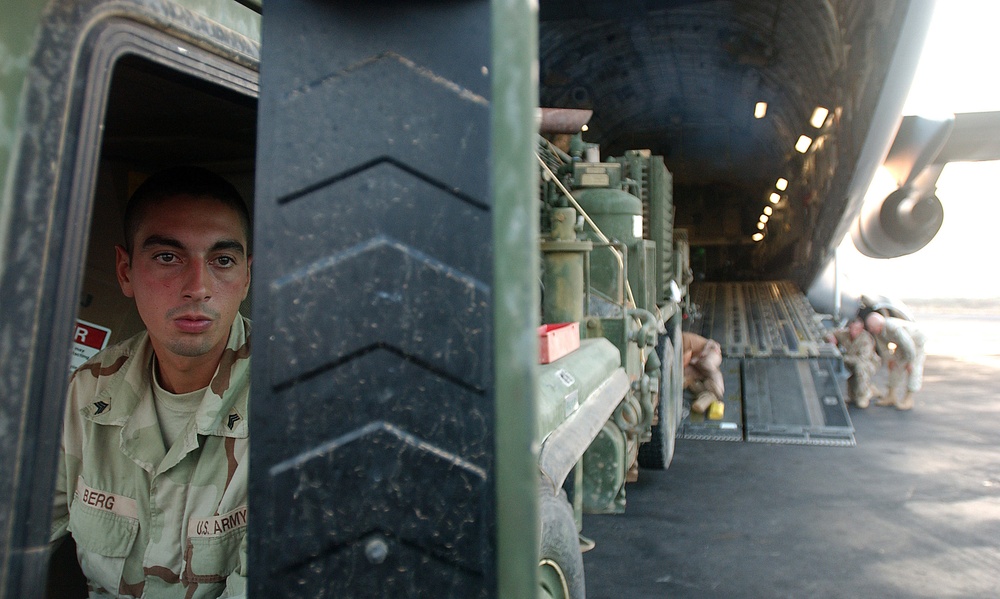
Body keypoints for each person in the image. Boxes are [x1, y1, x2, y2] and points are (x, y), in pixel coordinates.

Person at [51, 166, 252, 598]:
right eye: (168, 257)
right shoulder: (88, 393)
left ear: (247, 276)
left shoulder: (298, 408)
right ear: (124, 271)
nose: (198, 287)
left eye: (222, 260)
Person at [864, 312, 926, 411]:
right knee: (895, 367)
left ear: (879, 325)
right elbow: (883, 348)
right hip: (902, 344)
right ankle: (891, 396)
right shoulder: (877, 331)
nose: (870, 330)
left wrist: (910, 362)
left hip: (915, 341)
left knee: (913, 369)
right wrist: (890, 359)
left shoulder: (893, 328)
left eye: (872, 327)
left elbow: (908, 345)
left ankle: (908, 399)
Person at [828, 318, 880, 408]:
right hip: (850, 362)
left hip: (868, 364)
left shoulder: (866, 339)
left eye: (856, 329)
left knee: (860, 368)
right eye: (851, 328)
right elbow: (828, 332)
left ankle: (863, 395)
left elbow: (862, 359)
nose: (853, 332)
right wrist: (831, 338)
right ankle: (866, 390)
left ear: (861, 329)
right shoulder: (844, 334)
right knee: (852, 396)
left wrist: (843, 358)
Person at [682, 331, 725, 414]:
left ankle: (718, 389)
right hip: (695, 364)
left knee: (706, 364)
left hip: (709, 353)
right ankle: (708, 396)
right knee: (686, 380)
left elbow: (685, 359)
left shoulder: (683, 339)